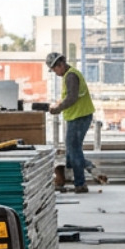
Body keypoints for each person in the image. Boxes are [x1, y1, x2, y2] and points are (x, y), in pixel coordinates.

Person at [45, 52, 104, 192]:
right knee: (71, 152)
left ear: (60, 65)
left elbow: (72, 98)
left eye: (54, 70)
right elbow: (69, 97)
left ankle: (80, 183)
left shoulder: (71, 76)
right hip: (76, 117)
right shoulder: (69, 75)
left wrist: (58, 108)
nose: (55, 73)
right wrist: (59, 104)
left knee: (74, 150)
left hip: (80, 117)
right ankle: (78, 173)